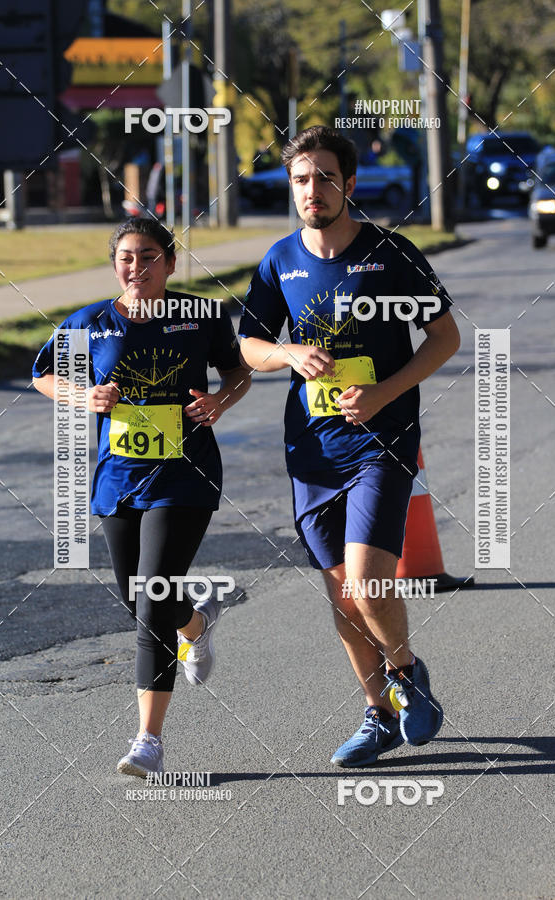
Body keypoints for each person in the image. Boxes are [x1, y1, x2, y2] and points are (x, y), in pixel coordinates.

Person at [239, 125, 460, 767]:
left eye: (325, 178)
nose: (313, 190)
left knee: (365, 582)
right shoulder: (281, 260)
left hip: (380, 443)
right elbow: (248, 346)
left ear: (349, 185)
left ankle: (406, 672)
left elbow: (444, 337)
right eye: (301, 179)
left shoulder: (393, 254)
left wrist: (386, 392)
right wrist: (285, 352)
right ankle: (379, 714)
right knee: (340, 593)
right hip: (311, 450)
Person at [32, 218, 249, 777]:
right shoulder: (89, 324)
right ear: (115, 265)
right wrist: (86, 395)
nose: (137, 268)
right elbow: (44, 376)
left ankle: (147, 740)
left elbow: (239, 373)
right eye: (127, 258)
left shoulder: (200, 316)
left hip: (186, 475)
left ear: (171, 264)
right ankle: (196, 624)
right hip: (118, 479)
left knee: (151, 600)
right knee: (137, 598)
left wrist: (220, 403)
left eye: (149, 257)